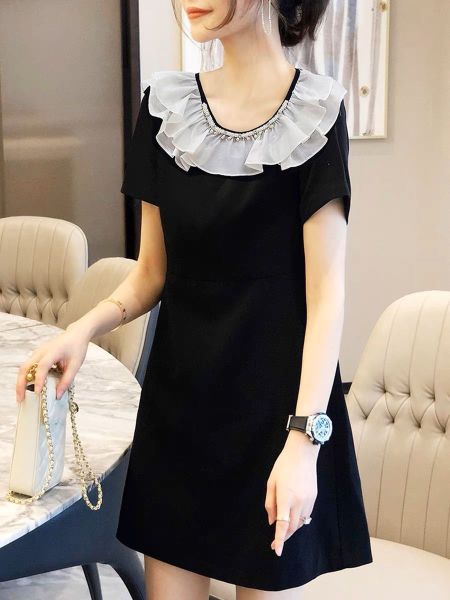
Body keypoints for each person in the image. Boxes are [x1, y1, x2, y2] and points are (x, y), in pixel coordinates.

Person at [16, 0, 373, 597]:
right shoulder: (165, 107)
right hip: (181, 409)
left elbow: (326, 295)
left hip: (277, 412)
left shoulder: (318, 111)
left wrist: (304, 440)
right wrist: (80, 330)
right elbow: (151, 272)